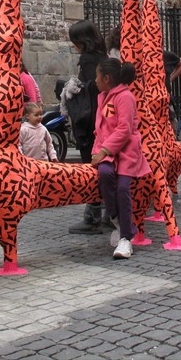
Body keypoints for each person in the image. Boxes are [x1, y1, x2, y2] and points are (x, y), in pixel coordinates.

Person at [91, 58, 149, 260]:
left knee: (123, 187)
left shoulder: (125, 97)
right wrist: (98, 149)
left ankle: (126, 237)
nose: (95, 80)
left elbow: (124, 129)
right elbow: (101, 128)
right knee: (105, 175)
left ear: (106, 78)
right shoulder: (104, 96)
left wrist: (105, 150)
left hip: (124, 151)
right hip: (107, 149)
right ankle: (117, 220)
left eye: (97, 76)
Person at [64, 20, 109, 235]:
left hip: (91, 122)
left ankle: (92, 217)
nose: (73, 44)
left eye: (75, 40)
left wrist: (70, 89)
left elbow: (93, 89)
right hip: (102, 120)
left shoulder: (88, 60)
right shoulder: (103, 57)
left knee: (92, 168)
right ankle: (109, 215)